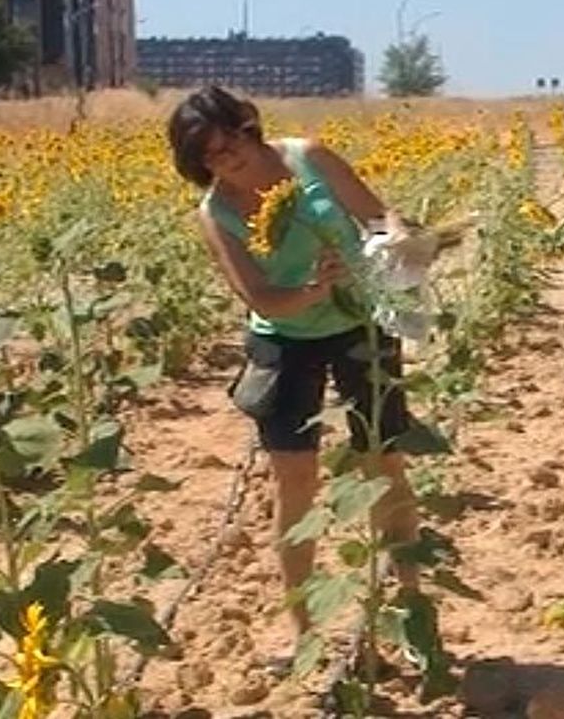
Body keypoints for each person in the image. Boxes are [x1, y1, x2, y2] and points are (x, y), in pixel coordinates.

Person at [167, 86, 422, 661]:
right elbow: (255, 294)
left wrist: (400, 241)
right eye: (210, 156)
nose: (227, 160)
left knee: (383, 461)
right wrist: (312, 289)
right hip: (285, 338)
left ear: (247, 126)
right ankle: (304, 628)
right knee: (295, 476)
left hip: (362, 322)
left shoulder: (309, 158)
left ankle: (409, 606)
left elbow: (377, 215)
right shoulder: (217, 212)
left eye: (229, 142)